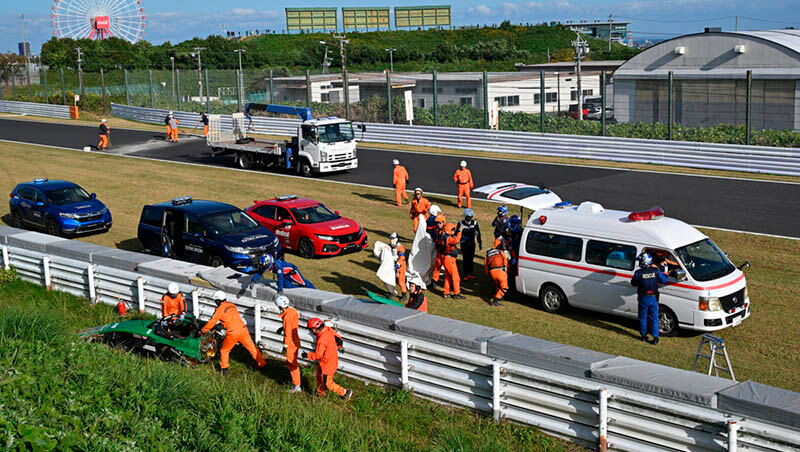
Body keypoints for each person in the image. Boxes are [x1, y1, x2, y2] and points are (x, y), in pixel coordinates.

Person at [201, 290, 266, 375]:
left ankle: (224, 370)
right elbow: (230, 317)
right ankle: (262, 364)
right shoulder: (232, 305)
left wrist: (204, 330)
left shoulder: (219, 309)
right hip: (243, 329)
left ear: (217, 301)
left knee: (224, 350)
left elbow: (212, 321)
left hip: (233, 333)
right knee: (252, 348)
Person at [303, 318, 353, 400]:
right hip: (327, 361)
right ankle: (321, 394)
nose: (310, 332)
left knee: (327, 383)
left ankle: (345, 392)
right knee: (319, 377)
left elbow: (318, 355)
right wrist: (340, 347)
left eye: (310, 330)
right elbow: (338, 338)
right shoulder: (328, 330)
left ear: (314, 329)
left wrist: (307, 355)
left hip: (327, 364)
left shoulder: (321, 340)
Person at [630, 252, 668, 345]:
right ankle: (655, 338)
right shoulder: (656, 270)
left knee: (643, 318)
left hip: (643, 298)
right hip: (653, 298)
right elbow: (664, 280)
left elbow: (633, 283)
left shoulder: (638, 273)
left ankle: (643, 336)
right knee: (654, 318)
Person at [274, 294, 302, 393]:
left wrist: (285, 346)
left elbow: (288, 334)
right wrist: (283, 327)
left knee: (293, 364)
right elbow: (292, 325)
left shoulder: (286, 317)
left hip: (290, 343)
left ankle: (297, 386)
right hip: (296, 341)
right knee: (292, 360)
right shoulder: (293, 311)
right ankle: (289, 363)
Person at [250, 254, 315, 292]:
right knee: (287, 286)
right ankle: (301, 288)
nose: (265, 268)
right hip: (285, 275)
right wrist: (253, 280)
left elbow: (280, 278)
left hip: (292, 272)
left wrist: (279, 289)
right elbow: (260, 272)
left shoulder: (278, 266)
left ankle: (315, 290)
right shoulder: (267, 265)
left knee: (303, 282)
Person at [458, 208, 482, 281]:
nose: (470, 218)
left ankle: (470, 273)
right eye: (468, 216)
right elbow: (456, 233)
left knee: (471, 258)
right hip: (464, 244)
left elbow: (478, 233)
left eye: (471, 217)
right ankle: (465, 274)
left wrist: (480, 242)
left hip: (472, 243)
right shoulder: (460, 223)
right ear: (465, 216)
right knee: (465, 259)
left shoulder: (474, 223)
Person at [442, 223, 465, 299]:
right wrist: (460, 232)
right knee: (456, 277)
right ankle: (456, 293)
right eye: (453, 229)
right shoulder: (449, 239)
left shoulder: (446, 237)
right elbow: (456, 240)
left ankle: (446, 292)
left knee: (448, 277)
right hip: (449, 259)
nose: (454, 231)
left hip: (448, 259)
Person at [390, 232, 408, 301]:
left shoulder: (400, 248)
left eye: (393, 239)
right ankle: (391, 292)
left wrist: (397, 265)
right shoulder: (390, 246)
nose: (392, 240)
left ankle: (404, 295)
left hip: (401, 266)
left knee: (401, 281)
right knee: (391, 279)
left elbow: (402, 258)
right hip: (393, 264)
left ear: (397, 239)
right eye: (391, 239)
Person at [431, 215, 447, 287]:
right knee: (437, 267)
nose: (438, 224)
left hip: (446, 254)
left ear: (443, 223)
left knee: (447, 269)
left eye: (440, 223)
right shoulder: (436, 230)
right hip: (439, 252)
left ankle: (449, 283)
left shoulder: (446, 231)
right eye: (437, 223)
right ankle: (434, 281)